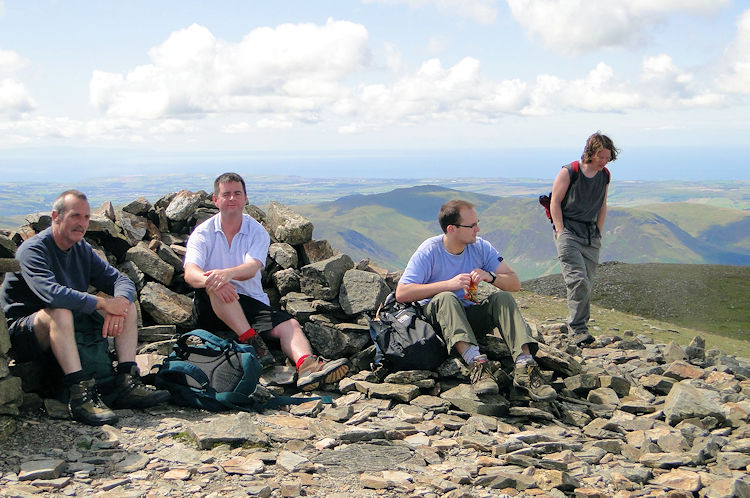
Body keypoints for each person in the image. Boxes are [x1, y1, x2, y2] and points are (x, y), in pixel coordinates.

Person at [0, 190, 170, 426]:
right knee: (60, 311)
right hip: (25, 332)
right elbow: (51, 294)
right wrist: (102, 303)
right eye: (75, 216)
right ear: (56, 217)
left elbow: (120, 280)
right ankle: (80, 396)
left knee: (126, 305)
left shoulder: (81, 248)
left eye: (86, 218)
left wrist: (119, 302)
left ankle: (126, 381)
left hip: (67, 323)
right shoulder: (33, 250)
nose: (81, 224)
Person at [183, 172, 349, 391]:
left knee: (289, 325)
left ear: (245, 198)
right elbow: (190, 273)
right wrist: (214, 280)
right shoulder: (203, 233)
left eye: (237, 193)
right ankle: (254, 344)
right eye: (226, 194)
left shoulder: (256, 231)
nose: (232, 198)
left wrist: (227, 274)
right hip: (211, 308)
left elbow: (252, 267)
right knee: (215, 285)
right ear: (216, 200)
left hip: (250, 302)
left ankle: (306, 366)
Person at [395, 199, 556, 401]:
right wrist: (449, 284)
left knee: (503, 298)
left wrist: (491, 277)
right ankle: (477, 366)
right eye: (471, 226)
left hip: (467, 316)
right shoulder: (430, 250)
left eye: (476, 223)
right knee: (446, 297)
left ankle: (525, 366)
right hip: (437, 325)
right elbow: (402, 292)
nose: (477, 229)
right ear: (452, 229)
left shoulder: (481, 247)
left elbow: (514, 284)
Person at [550, 132, 619, 340]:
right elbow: (554, 202)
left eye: (607, 158)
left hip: (590, 235)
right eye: (601, 156)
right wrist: (561, 231)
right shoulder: (569, 172)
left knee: (586, 284)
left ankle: (580, 327)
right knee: (578, 281)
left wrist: (598, 230)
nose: (604, 161)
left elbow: (602, 204)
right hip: (569, 232)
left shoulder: (605, 175)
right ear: (590, 152)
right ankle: (578, 330)